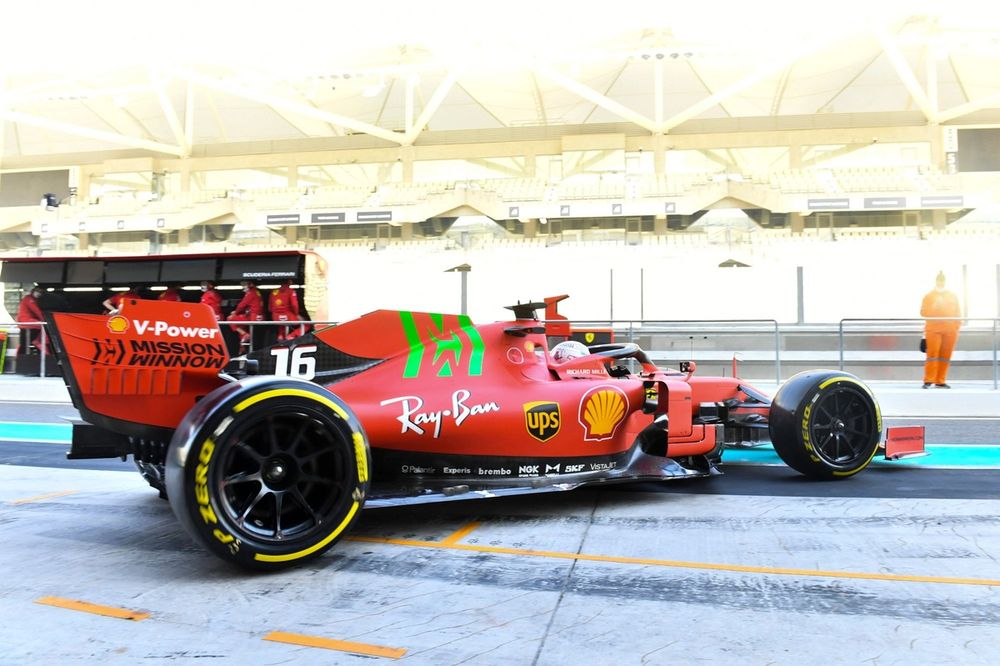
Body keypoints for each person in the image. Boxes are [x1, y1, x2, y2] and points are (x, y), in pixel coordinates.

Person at [920, 271, 961, 389]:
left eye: (942, 280)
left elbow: (958, 313)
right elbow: (923, 312)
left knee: (945, 357)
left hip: (950, 330)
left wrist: (956, 327)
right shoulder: (929, 296)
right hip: (933, 329)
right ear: (936, 281)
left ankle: (940, 380)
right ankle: (928, 380)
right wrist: (934, 307)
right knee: (932, 355)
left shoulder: (952, 296)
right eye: (939, 280)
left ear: (945, 281)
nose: (941, 283)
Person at [229, 280, 264, 345]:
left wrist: (235, 313)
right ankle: (243, 339)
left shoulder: (250, 293)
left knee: (230, 319)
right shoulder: (257, 292)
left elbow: (241, 305)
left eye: (245, 284)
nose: (243, 286)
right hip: (257, 316)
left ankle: (245, 335)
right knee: (240, 324)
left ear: (251, 284)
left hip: (253, 316)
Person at [16, 285, 46, 354]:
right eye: (38, 291)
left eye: (41, 292)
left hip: (26, 324)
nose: (39, 293)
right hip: (28, 324)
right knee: (26, 343)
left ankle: (21, 356)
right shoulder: (29, 299)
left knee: (24, 344)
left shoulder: (31, 299)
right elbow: (36, 311)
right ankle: (22, 356)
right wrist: (45, 320)